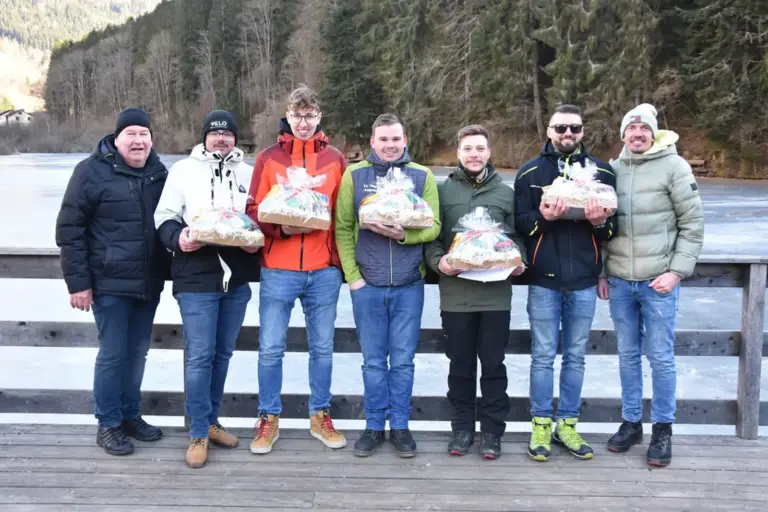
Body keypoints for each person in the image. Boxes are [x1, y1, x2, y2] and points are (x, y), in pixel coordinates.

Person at [55, 108, 171, 456]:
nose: (138, 141)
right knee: (112, 354)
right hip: (108, 284)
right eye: (131, 134)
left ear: (151, 139)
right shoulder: (90, 172)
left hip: (147, 282)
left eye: (144, 134)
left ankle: (129, 416)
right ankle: (107, 424)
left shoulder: (159, 172)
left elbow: (170, 220)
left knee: (137, 353)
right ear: (117, 138)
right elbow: (69, 230)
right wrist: (78, 283)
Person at [600, 103, 704, 468]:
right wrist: (602, 272)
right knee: (627, 355)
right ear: (623, 135)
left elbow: (692, 223)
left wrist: (677, 271)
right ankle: (631, 422)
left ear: (653, 133)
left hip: (658, 281)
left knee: (660, 357)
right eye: (632, 128)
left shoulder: (674, 167)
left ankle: (663, 429)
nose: (638, 134)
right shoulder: (612, 171)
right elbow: (602, 228)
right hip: (620, 281)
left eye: (644, 128)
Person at [154, 110, 259, 468]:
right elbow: (164, 218)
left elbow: (257, 219)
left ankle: (212, 422)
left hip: (237, 279)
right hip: (196, 277)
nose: (221, 139)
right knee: (199, 356)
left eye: (227, 134)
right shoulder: (183, 170)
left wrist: (255, 242)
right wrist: (179, 238)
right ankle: (198, 431)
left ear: (235, 138)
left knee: (222, 354)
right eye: (214, 134)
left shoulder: (248, 172)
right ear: (204, 138)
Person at [246, 86, 347, 454]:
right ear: (287, 117)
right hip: (278, 269)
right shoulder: (268, 158)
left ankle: (320, 414)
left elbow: (343, 216)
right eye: (297, 116)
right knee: (271, 349)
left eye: (310, 116)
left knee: (322, 349)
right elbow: (253, 211)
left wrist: (338, 263)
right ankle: (268, 417)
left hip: (323, 271)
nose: (303, 123)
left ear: (319, 117)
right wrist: (282, 229)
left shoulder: (335, 159)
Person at [514, 104, 617, 462]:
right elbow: (520, 224)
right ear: (549, 131)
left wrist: (598, 222)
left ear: (583, 132)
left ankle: (568, 424)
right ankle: (541, 423)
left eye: (574, 128)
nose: (568, 134)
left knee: (575, 357)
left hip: (585, 281)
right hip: (543, 280)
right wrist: (544, 218)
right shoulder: (530, 172)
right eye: (560, 128)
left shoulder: (602, 172)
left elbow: (613, 228)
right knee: (543, 356)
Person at [336, 113, 441, 458]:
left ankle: (400, 426)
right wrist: (353, 277)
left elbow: (434, 226)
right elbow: (343, 228)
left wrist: (404, 235)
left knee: (404, 362)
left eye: (396, 139)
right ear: (372, 142)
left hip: (409, 286)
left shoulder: (422, 175)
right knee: (372, 362)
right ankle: (373, 426)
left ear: (405, 140)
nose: (390, 145)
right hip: (368, 286)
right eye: (383, 139)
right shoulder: (355, 175)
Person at [425, 125, 525, 460]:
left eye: (480, 148)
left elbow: (517, 238)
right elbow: (431, 239)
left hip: (496, 296)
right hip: (456, 296)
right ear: (458, 153)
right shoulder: (443, 191)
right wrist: (440, 263)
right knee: (460, 366)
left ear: (489, 153)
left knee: (494, 365)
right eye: (468, 148)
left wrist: (519, 261)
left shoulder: (505, 193)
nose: (474, 154)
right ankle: (462, 428)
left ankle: (493, 432)